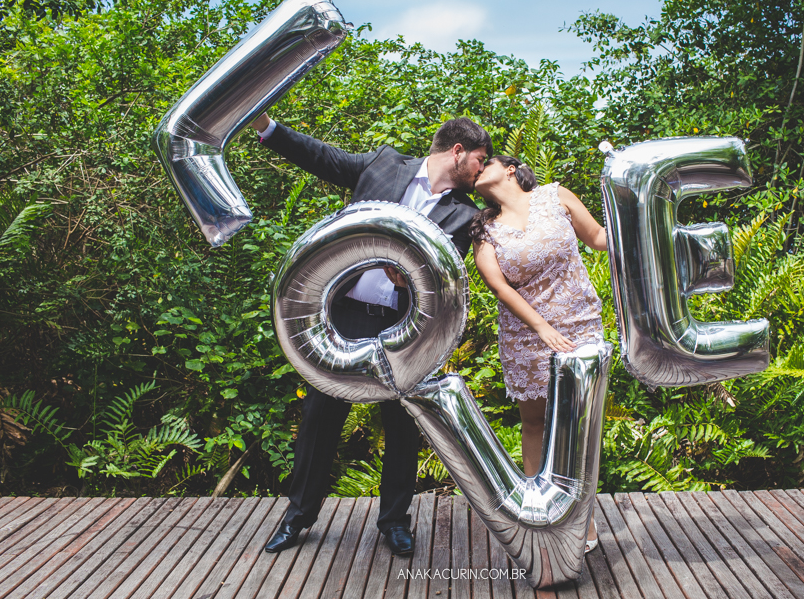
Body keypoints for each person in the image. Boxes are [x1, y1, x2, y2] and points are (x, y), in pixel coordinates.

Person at [253, 112, 492, 556]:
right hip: (345, 317)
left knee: (403, 427)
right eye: (479, 159)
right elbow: (324, 158)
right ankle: (297, 517)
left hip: (408, 330)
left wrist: (412, 281)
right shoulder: (385, 164)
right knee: (320, 419)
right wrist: (269, 128)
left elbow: (450, 278)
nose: (481, 169)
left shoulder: (465, 215)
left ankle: (395, 522)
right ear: (457, 151)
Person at [470, 155, 605, 553]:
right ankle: (541, 513)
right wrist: (542, 327)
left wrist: (636, 226)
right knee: (536, 424)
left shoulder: (555, 196)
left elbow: (597, 237)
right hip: (526, 337)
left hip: (580, 324)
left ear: (510, 169)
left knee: (579, 426)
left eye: (486, 162)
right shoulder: (484, 230)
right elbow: (500, 287)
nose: (478, 169)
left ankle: (582, 517)